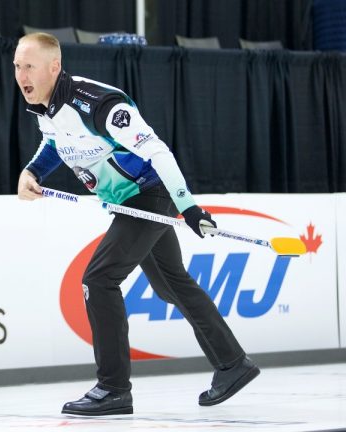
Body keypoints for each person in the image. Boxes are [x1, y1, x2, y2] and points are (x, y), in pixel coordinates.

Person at [14, 32, 260, 416]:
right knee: (171, 285)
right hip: (131, 202)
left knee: (98, 279)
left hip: (148, 195)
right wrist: (32, 171)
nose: (21, 74)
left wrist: (189, 207)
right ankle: (232, 364)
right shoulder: (47, 108)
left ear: (54, 67)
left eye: (28, 66)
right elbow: (54, 143)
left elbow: (157, 150)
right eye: (17, 66)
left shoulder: (97, 103)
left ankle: (113, 388)